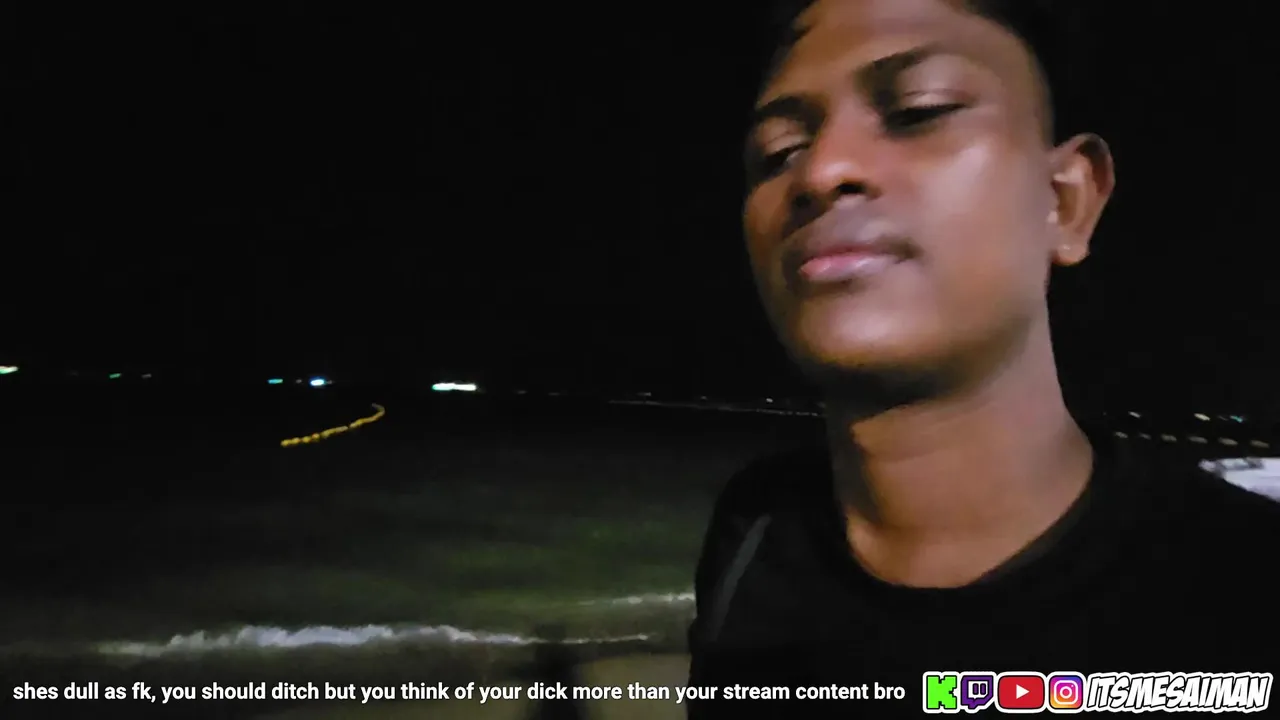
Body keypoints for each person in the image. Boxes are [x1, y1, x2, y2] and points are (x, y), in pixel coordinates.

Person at [686, 0, 1280, 716]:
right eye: (778, 151)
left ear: (1065, 201)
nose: (821, 169)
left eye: (920, 110)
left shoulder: (1244, 590)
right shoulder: (756, 534)